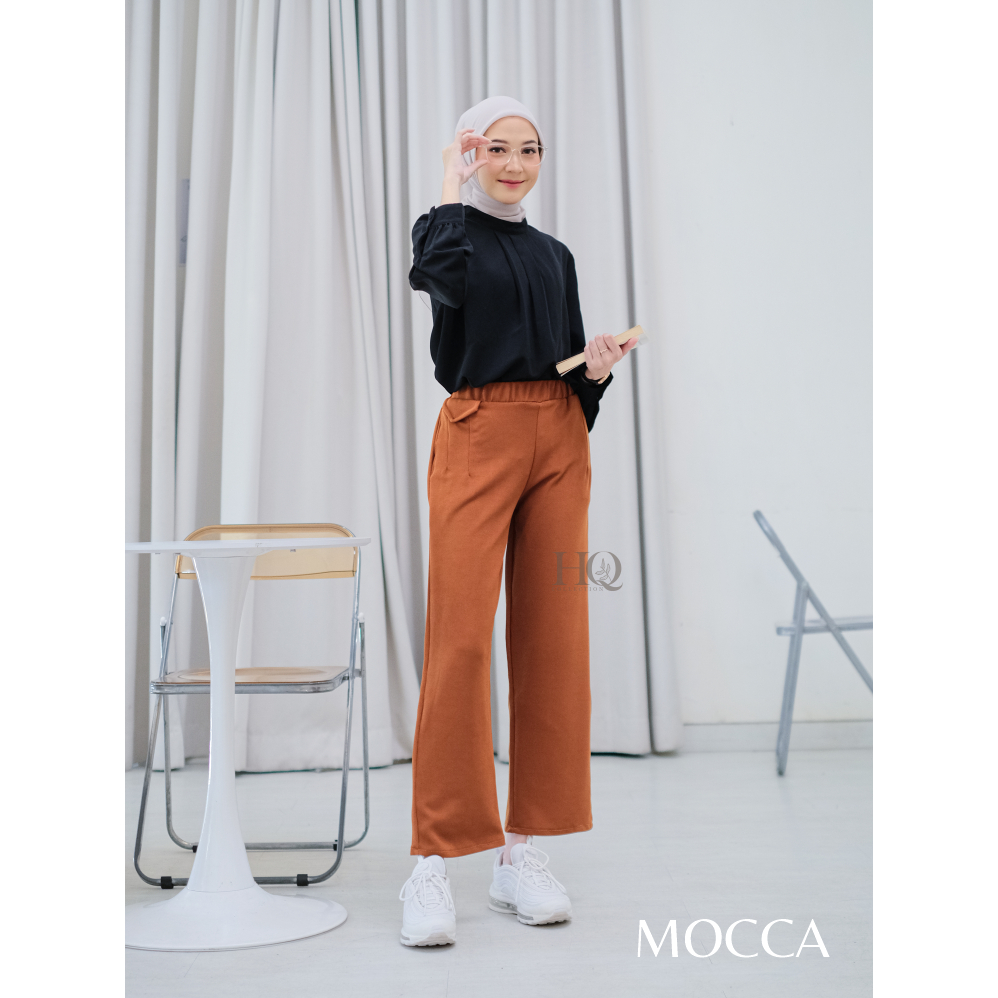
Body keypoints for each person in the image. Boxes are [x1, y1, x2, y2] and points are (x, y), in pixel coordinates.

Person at [399, 96, 637, 947]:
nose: (513, 164)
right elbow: (439, 279)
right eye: (495, 148)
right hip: (478, 431)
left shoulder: (554, 254)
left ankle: (520, 853)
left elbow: (565, 365)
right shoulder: (448, 232)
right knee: (459, 641)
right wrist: (448, 183)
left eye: (528, 150)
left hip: (558, 438)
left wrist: (595, 371)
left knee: (554, 640)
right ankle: (431, 860)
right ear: (472, 154)